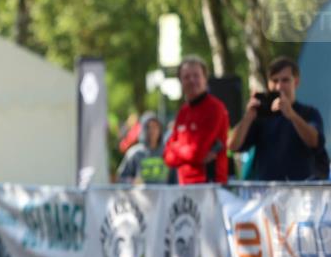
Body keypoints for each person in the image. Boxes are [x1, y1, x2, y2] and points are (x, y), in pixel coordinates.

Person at [228, 56, 328, 181]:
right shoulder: (261, 116)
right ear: (268, 83)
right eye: (274, 81)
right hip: (269, 192)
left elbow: (316, 142)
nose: (279, 86)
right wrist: (248, 117)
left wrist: (292, 115)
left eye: (285, 80)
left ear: (296, 82)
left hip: (303, 192)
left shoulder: (309, 113)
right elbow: (232, 146)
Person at [163, 56, 230, 185]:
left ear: (205, 79)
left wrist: (175, 148)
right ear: (181, 81)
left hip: (209, 186)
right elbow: (167, 156)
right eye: (186, 77)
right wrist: (182, 150)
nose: (192, 80)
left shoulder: (215, 108)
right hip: (184, 187)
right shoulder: (183, 111)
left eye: (196, 75)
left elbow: (197, 152)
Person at [116, 112, 172, 184]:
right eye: (148, 127)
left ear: (160, 129)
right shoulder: (134, 153)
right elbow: (120, 178)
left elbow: (175, 181)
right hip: (141, 195)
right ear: (143, 130)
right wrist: (132, 181)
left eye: (155, 127)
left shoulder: (168, 152)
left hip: (164, 195)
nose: (152, 131)